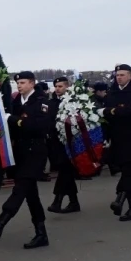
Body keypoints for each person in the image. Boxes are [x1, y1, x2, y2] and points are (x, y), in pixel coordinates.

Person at [0, 71, 51, 248]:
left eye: (22, 82)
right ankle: (41, 233)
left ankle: (1, 222)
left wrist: (13, 120)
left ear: (32, 83)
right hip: (20, 152)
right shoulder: (16, 101)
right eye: (18, 83)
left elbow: (39, 126)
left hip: (35, 150)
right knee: (31, 195)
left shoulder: (41, 101)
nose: (19, 86)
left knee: (21, 187)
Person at [100, 65, 131, 221]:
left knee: (128, 170)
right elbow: (105, 113)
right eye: (117, 75)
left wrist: (112, 111)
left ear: (130, 75)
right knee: (127, 171)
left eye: (122, 74)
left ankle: (125, 202)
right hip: (117, 137)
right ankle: (127, 204)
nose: (118, 77)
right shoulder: (113, 91)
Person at [46, 77, 80, 214]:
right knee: (66, 171)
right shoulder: (51, 102)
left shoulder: (75, 101)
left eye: (60, 86)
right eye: (56, 86)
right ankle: (74, 202)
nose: (57, 89)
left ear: (67, 86)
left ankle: (57, 200)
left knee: (65, 170)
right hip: (57, 141)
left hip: (71, 140)